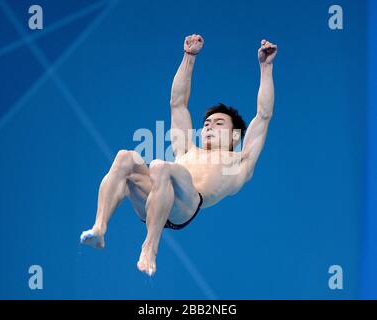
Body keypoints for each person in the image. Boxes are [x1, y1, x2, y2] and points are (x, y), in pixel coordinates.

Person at [80, 34, 278, 276]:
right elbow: (178, 103)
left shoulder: (239, 161)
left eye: (218, 124)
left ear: (234, 137)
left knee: (161, 166)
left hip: (185, 206)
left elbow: (264, 115)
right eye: (206, 123)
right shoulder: (187, 149)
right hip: (154, 201)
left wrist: (266, 68)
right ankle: (100, 229)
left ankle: (149, 248)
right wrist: (189, 57)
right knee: (125, 157)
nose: (208, 126)